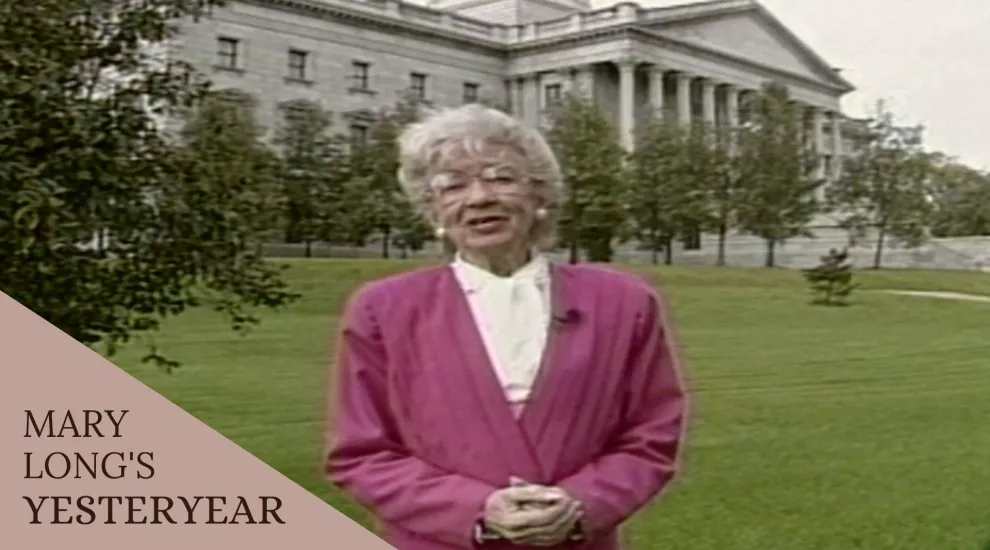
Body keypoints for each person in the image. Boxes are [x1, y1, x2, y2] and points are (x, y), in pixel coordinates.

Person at [324, 103, 688, 550]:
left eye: (500, 177)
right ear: (433, 210)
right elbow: (363, 454)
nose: (479, 197)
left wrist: (582, 503)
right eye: (452, 186)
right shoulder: (383, 309)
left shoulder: (624, 301)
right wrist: (476, 510)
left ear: (539, 196)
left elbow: (650, 437)